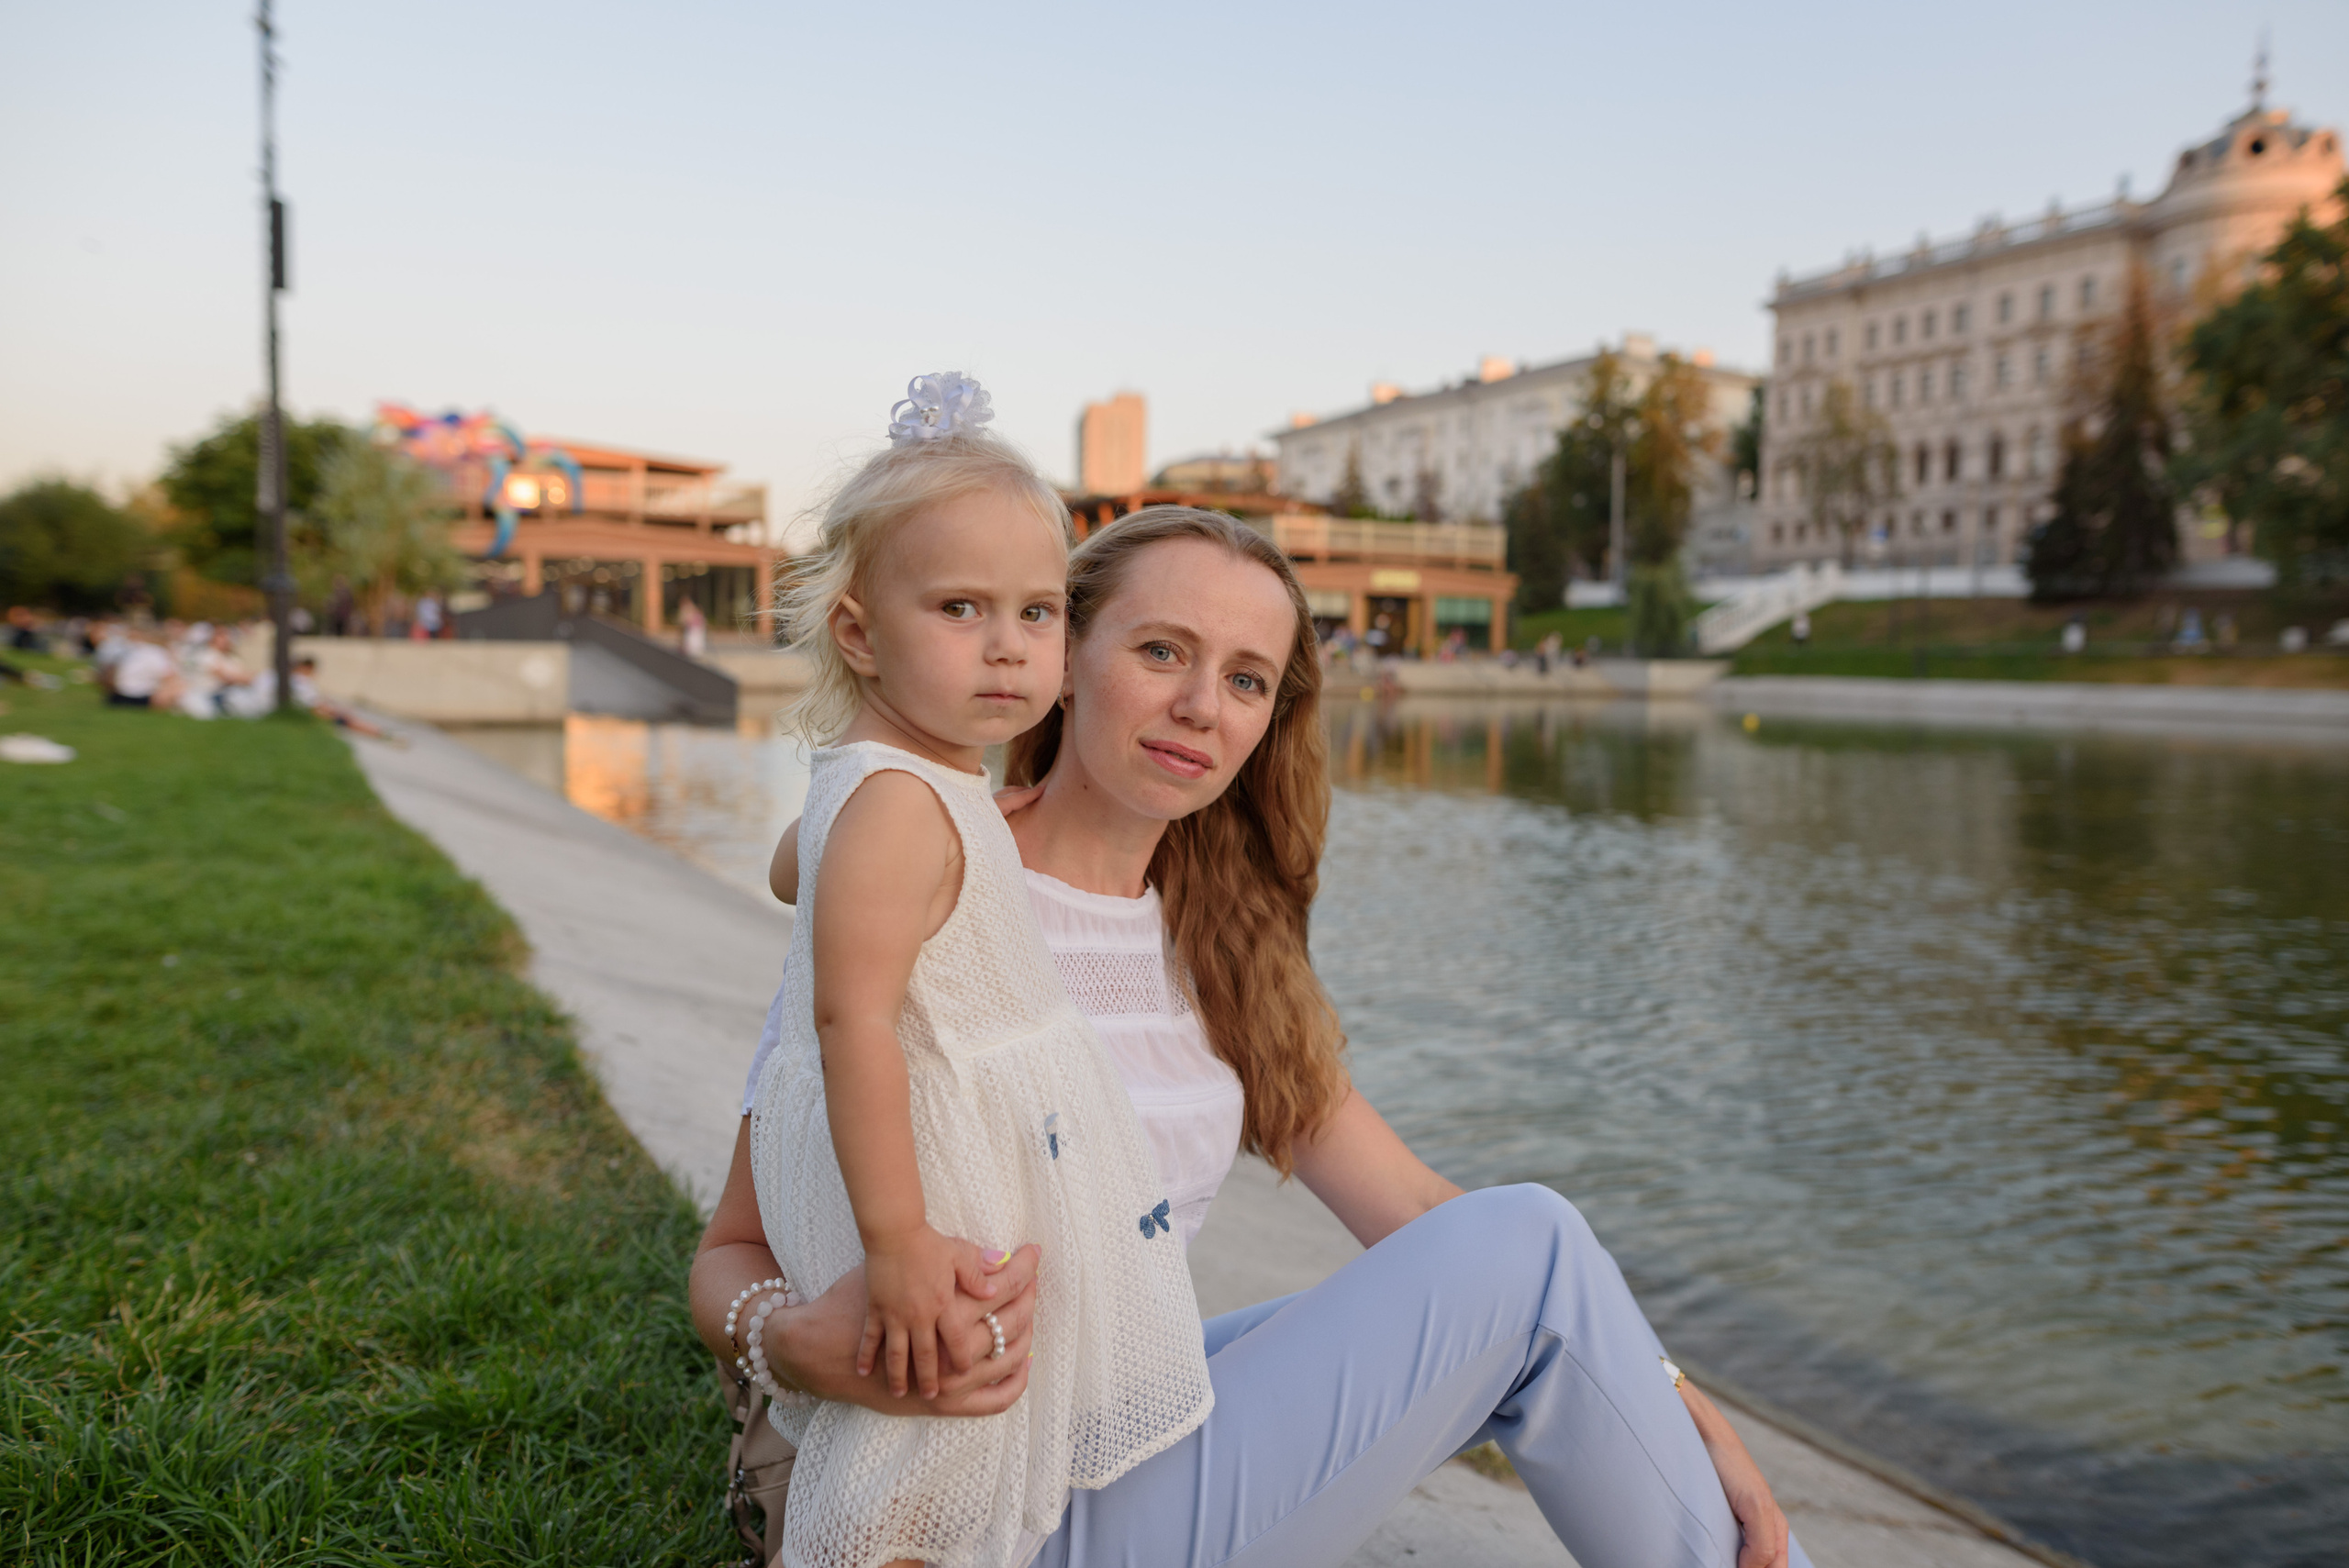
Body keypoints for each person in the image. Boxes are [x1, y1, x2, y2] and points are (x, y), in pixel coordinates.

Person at [697, 505, 1806, 1568]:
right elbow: (732, 1248)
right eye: (1162, 650)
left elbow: (1421, 1216)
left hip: (1107, 1443)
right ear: (1063, 649)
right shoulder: (926, 878)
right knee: (1532, 1241)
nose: (1199, 707)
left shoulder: (1216, 946)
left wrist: (1663, 1387)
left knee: (1522, 1261)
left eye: (1244, 681)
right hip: (971, 1514)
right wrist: (792, 1343)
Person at [741, 376, 1210, 1568]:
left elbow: (793, 868)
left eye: (1039, 614)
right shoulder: (906, 805)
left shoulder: (887, 782)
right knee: (935, 1436)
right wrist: (897, 1243)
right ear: (860, 632)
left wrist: (956, 824)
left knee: (952, 1420)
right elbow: (854, 1021)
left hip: (954, 1155)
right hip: (940, 1183)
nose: (1009, 647)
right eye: (960, 608)